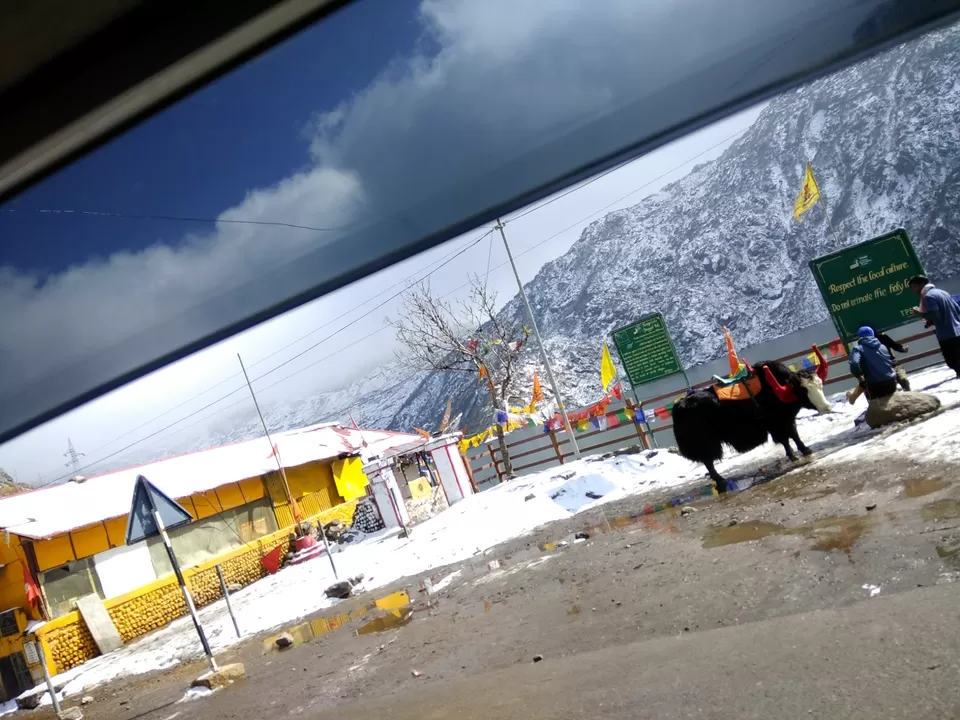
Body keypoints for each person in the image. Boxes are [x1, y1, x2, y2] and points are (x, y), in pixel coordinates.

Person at [910, 275, 960, 378]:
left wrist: (919, 313)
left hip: (947, 334)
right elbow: (957, 309)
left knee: (952, 361)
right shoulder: (943, 292)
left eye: (913, 287)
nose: (913, 291)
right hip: (958, 330)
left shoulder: (928, 297)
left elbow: (935, 315)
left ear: (918, 285)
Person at [846, 329, 910, 404]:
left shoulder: (858, 348)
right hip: (891, 382)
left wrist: (859, 375)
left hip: (875, 386)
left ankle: (853, 398)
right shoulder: (883, 346)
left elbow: (854, 364)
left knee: (865, 383)